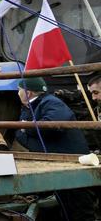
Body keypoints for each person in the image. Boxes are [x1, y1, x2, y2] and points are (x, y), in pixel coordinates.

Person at [14, 77, 94, 221]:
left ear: (28, 92)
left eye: (19, 90)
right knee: (65, 205)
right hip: (57, 161)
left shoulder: (51, 102)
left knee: (78, 206)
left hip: (71, 162)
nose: (17, 93)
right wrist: (29, 131)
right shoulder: (29, 107)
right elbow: (19, 134)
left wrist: (27, 128)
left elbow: (52, 126)